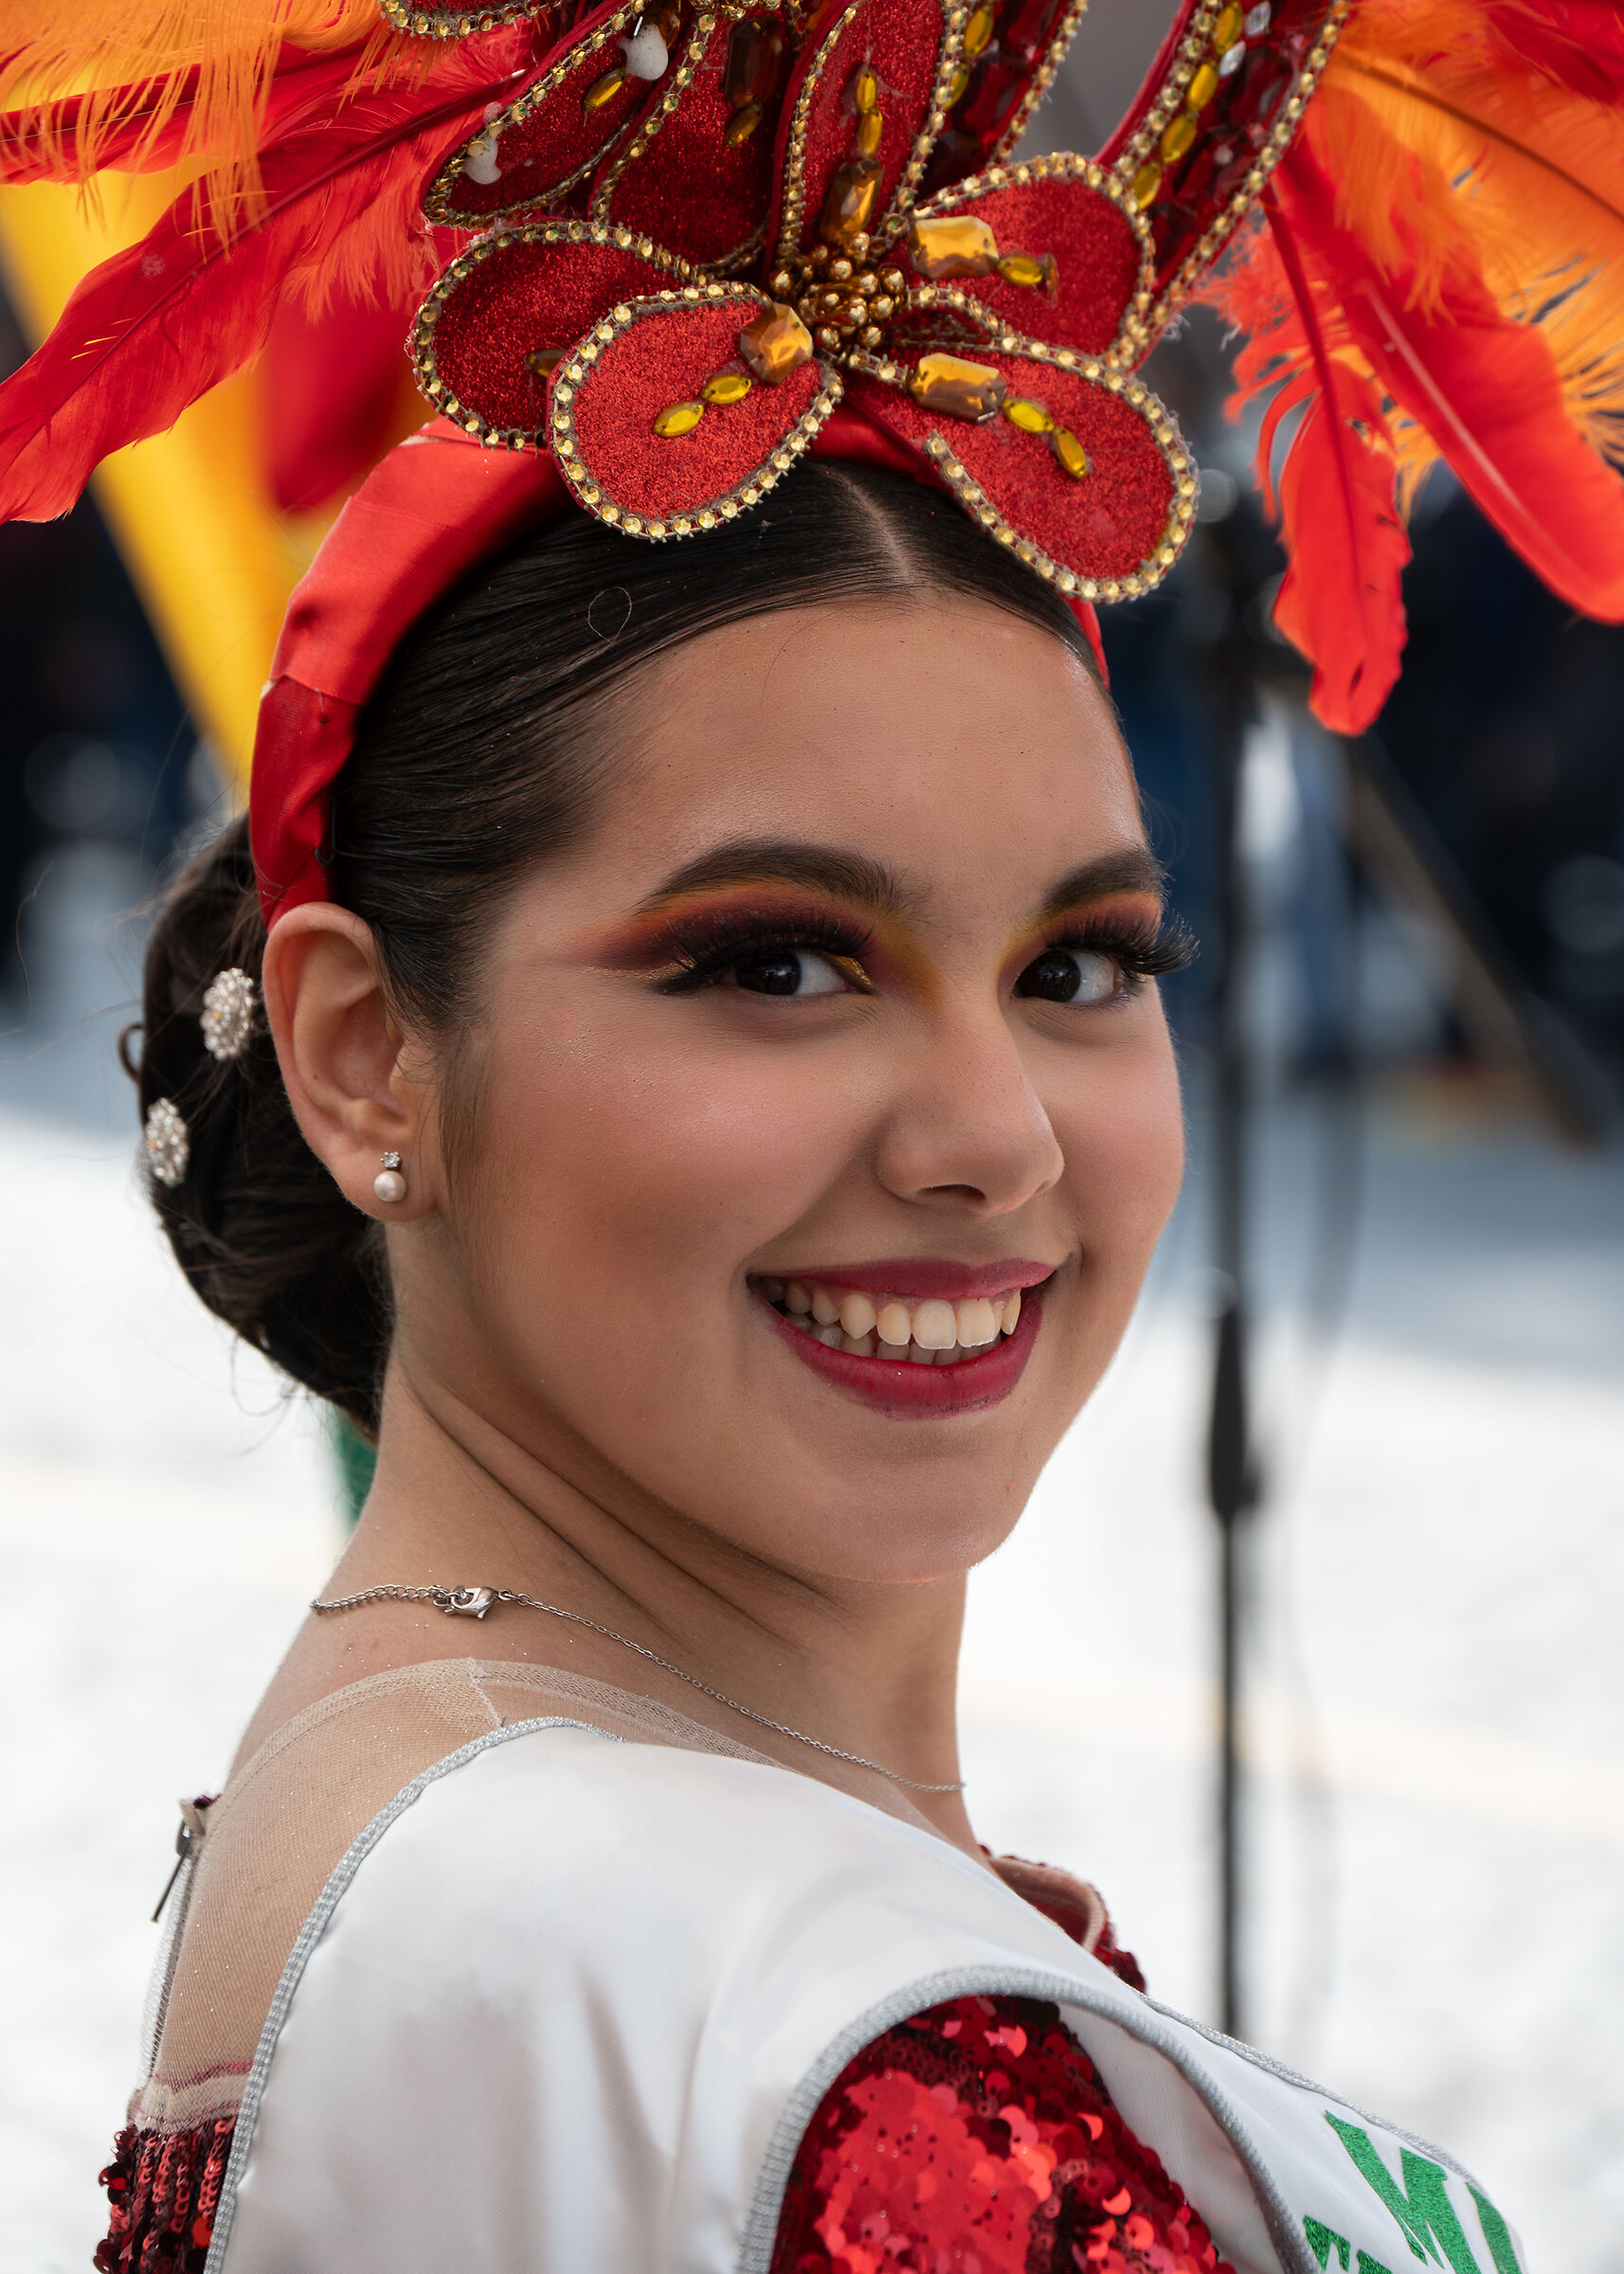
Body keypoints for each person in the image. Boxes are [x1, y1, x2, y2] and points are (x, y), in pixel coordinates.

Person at [4, 1, 1615, 2268]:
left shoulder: (460, 1816)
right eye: (774, 961)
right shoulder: (795, 2046)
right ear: (368, 1054)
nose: (988, 1140)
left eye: (1077, 969)